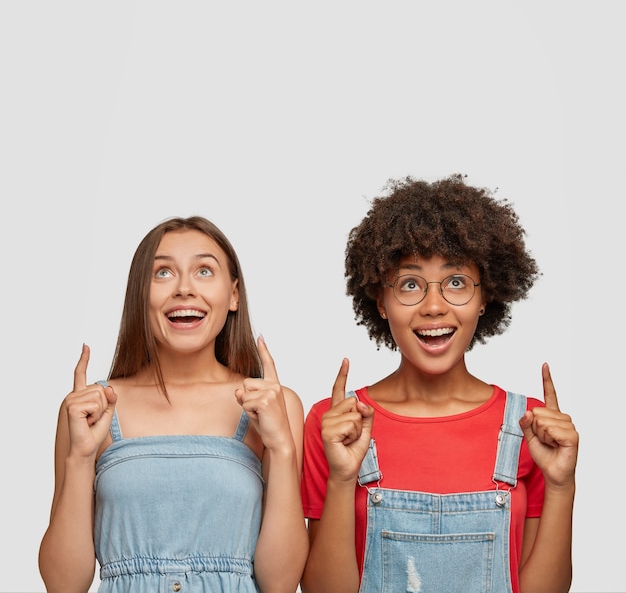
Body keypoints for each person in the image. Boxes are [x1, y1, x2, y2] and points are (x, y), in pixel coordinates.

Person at [300, 175, 578, 593]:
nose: (434, 306)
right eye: (410, 284)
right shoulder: (335, 423)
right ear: (380, 299)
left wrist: (561, 486)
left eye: (456, 283)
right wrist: (343, 479)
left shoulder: (530, 428)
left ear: (486, 297)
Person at [39, 216, 308, 593]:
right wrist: (81, 458)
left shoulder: (275, 406)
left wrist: (281, 449)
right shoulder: (93, 409)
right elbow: (62, 584)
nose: (184, 288)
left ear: (233, 295)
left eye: (203, 271)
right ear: (140, 294)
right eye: (162, 273)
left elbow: (278, 584)